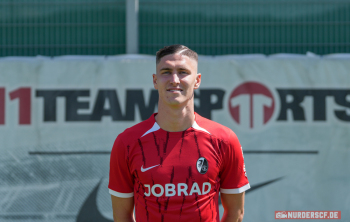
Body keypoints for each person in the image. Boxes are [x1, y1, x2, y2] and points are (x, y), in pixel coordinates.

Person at [108, 44, 250, 222]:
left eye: (183, 72)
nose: (174, 79)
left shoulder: (224, 139)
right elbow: (121, 217)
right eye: (166, 71)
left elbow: (236, 213)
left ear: (197, 80)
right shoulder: (127, 143)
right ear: (155, 80)